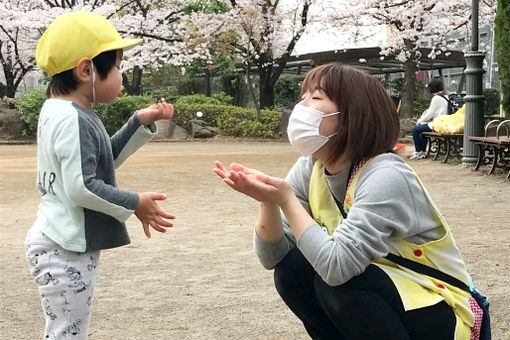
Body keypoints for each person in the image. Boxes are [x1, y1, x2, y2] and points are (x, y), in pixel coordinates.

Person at [214, 63, 481, 339]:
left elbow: (336, 267)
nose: (301, 107)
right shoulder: (311, 166)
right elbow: (273, 258)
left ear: (352, 115)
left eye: (315, 98)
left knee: (341, 285)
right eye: (302, 97)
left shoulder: (386, 174)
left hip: (440, 306)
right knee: (292, 270)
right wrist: (268, 201)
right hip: (390, 297)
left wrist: (285, 199)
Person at [25, 12, 175, 339]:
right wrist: (134, 202)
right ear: (86, 70)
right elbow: (81, 186)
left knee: (67, 330)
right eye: (118, 66)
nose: (122, 75)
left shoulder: (60, 109)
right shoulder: (73, 119)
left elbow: (100, 159)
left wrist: (137, 122)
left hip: (59, 239)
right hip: (64, 246)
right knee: (68, 333)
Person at [409, 78, 450, 160]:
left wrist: (420, 121)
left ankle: (419, 151)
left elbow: (430, 113)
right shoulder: (446, 96)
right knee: (422, 129)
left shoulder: (436, 98)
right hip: (444, 122)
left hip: (438, 124)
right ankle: (423, 151)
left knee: (415, 129)